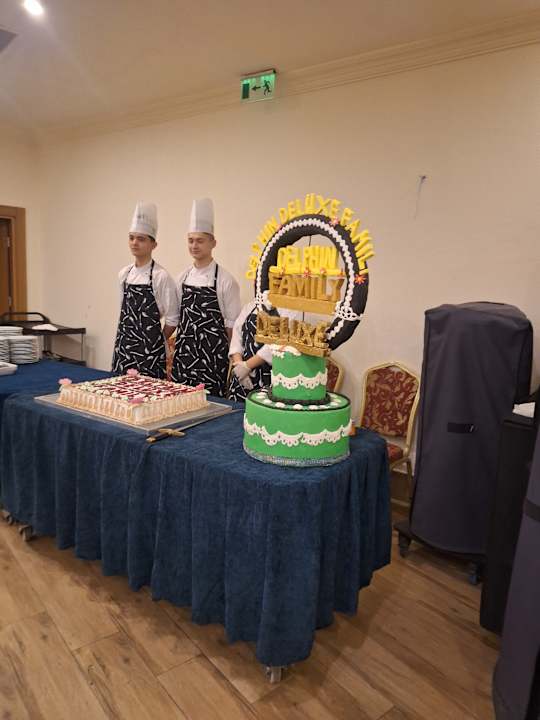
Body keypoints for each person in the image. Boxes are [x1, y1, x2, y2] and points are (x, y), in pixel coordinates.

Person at [171, 198, 241, 396]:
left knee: (212, 405)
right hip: (184, 357)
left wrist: (229, 358)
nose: (194, 245)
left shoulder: (226, 281)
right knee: (179, 403)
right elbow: (176, 318)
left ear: (213, 243)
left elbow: (232, 327)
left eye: (200, 241)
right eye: (191, 240)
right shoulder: (182, 278)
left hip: (213, 359)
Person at [112, 201, 178, 379]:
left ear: (153, 244)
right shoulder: (124, 274)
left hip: (150, 353)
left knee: (149, 392)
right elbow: (124, 312)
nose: (134, 243)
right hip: (124, 348)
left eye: (141, 239)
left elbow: (173, 318)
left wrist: (155, 340)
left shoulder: (161, 276)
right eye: (131, 238)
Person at [228, 299, 301, 401]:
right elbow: (237, 336)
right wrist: (239, 365)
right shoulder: (251, 305)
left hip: (271, 377)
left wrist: (248, 365)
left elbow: (281, 341)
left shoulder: (293, 309)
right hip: (243, 376)